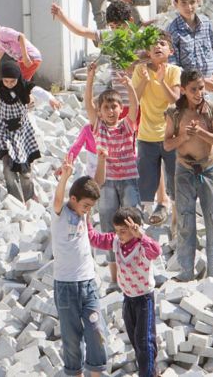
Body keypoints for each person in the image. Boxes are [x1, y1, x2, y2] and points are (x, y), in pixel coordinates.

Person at [163, 69, 213, 285]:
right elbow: (167, 143)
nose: (198, 93)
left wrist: (201, 133)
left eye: (201, 88)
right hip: (184, 170)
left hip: (208, 170)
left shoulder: (211, 110)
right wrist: (184, 136)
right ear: (183, 90)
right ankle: (185, 271)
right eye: (193, 89)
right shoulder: (174, 112)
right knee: (185, 220)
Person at [83, 61, 141, 288]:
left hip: (127, 180)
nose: (110, 111)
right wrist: (90, 79)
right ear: (100, 111)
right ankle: (115, 279)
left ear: (120, 109)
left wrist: (129, 86)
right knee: (108, 228)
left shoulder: (127, 126)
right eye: (106, 107)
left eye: (114, 107)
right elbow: (88, 104)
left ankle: (136, 267)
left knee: (133, 222)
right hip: (106, 183)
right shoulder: (98, 127)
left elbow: (135, 108)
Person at [87, 207, 161, 377]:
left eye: (124, 231)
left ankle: (148, 374)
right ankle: (152, 370)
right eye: (117, 230)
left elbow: (156, 251)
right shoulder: (116, 242)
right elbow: (95, 239)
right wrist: (87, 221)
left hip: (144, 299)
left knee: (145, 341)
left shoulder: (142, 246)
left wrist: (141, 235)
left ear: (135, 229)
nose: (120, 235)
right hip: (128, 299)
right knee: (135, 339)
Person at [0, 61, 60, 203]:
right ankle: (16, 200)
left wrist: (51, 98)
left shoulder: (23, 86)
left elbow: (39, 91)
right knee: (7, 166)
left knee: (25, 171)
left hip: (21, 131)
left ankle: (30, 197)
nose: (9, 84)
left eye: (12, 81)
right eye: (6, 80)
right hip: (4, 130)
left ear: (18, 78)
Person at [51, 173, 106, 377]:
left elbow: (96, 182)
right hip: (65, 286)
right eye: (86, 205)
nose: (88, 210)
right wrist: (64, 177)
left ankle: (96, 372)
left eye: (91, 206)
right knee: (71, 337)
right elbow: (58, 199)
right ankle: (75, 373)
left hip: (88, 283)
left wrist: (101, 158)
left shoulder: (84, 212)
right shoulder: (60, 213)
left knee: (96, 329)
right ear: (73, 199)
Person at [131, 33, 181, 228]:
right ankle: (146, 221)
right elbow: (135, 99)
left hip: (170, 135)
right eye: (153, 44)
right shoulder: (140, 70)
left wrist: (161, 81)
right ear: (148, 52)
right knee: (146, 181)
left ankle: (176, 220)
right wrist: (144, 80)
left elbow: (175, 99)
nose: (157, 47)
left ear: (171, 50)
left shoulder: (174, 71)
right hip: (146, 135)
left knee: (174, 179)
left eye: (162, 44)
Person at [167, 0, 213, 92]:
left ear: (198, 2)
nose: (189, 7)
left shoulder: (206, 23)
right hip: (188, 90)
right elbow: (173, 64)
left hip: (208, 86)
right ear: (175, 4)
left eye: (192, 2)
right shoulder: (173, 30)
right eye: (183, 2)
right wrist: (200, 81)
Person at [0, 16, 43, 82]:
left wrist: (25, 56)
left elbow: (21, 36)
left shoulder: (3, 32)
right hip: (24, 60)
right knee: (16, 80)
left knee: (15, 81)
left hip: (30, 57)